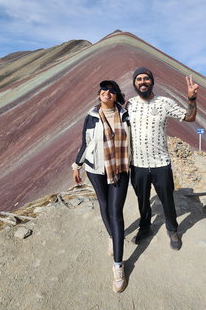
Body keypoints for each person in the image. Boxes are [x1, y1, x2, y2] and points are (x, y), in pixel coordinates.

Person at [126, 66, 199, 251]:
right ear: (134, 83)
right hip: (138, 164)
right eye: (139, 79)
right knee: (142, 201)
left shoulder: (165, 102)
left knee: (167, 199)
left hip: (161, 164)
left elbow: (189, 117)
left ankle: (173, 229)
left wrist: (191, 98)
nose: (143, 82)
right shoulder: (130, 105)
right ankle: (145, 228)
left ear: (152, 81)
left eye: (146, 78)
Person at [72, 80, 131, 293]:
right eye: (104, 89)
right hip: (95, 169)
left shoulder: (125, 115)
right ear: (99, 94)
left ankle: (118, 266)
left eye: (112, 91)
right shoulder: (91, 117)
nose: (107, 92)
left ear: (116, 96)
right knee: (104, 204)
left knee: (116, 212)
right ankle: (111, 237)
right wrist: (76, 165)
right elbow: (84, 143)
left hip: (120, 169)